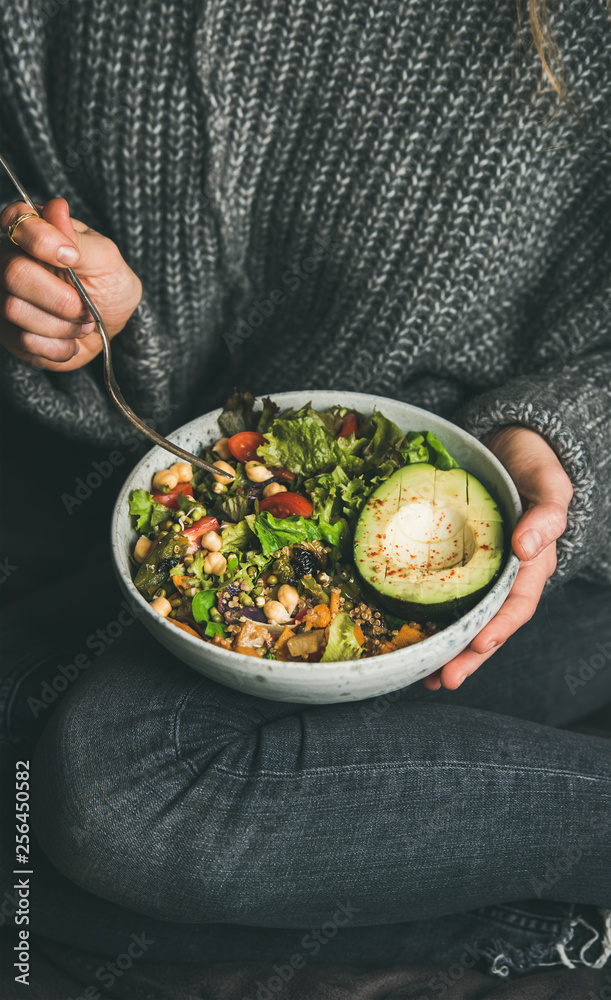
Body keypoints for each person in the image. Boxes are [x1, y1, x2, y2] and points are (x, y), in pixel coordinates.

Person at [0, 0, 609, 983]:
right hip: (155, 490)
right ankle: (512, 928)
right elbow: (74, 257)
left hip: (540, 553)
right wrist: (94, 315)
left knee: (117, 792)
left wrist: (569, 446)